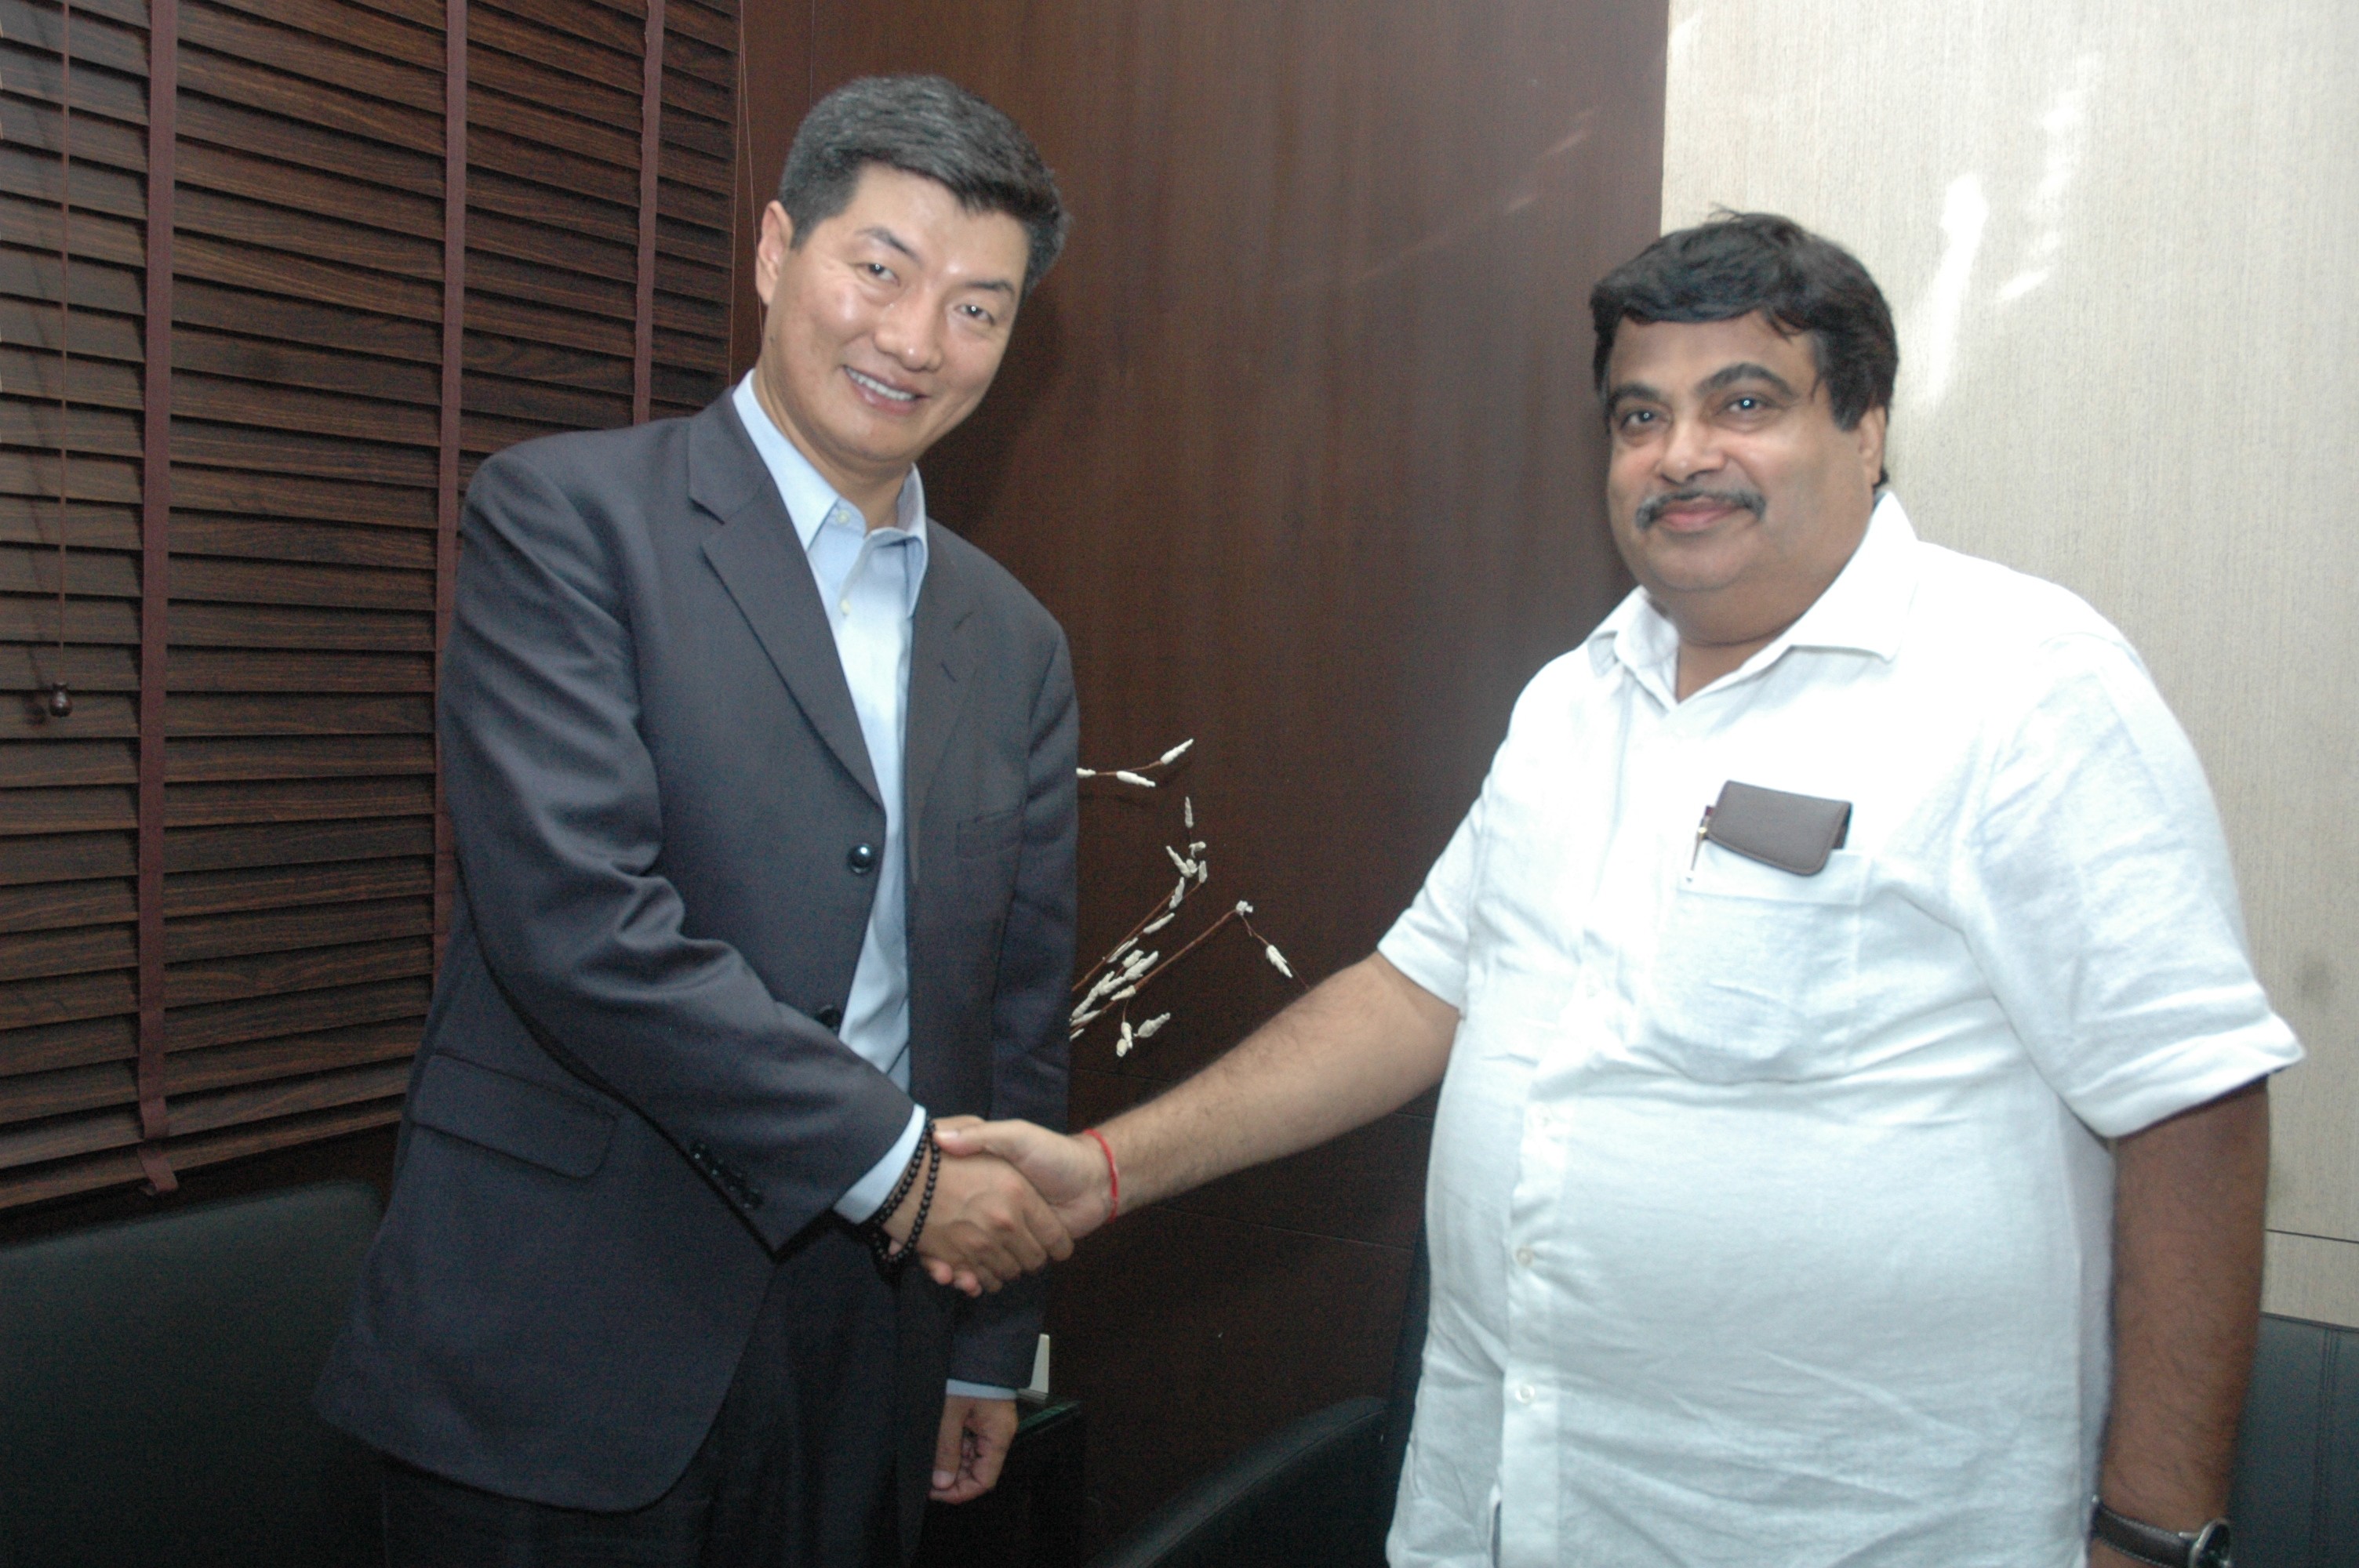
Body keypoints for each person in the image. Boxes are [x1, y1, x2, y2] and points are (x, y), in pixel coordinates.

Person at [940, 212, 2302, 1566]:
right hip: (1509, 1508)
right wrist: (1102, 1175)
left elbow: (2192, 1107)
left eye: (1746, 402)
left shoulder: (2023, 689)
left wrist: (2152, 1534)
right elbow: (1419, 993)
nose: (1681, 455)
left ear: (1868, 426)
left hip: (1854, 1531)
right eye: (1639, 415)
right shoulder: (1573, 701)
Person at [317, 75, 1081, 1566]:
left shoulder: (1019, 639)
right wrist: (906, 1173)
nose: (918, 341)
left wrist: (993, 1341)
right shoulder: (568, 518)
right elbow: (578, 925)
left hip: (867, 1339)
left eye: (981, 309)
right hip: (565, 1332)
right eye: (882, 268)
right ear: (776, 250)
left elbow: (1013, 1011)